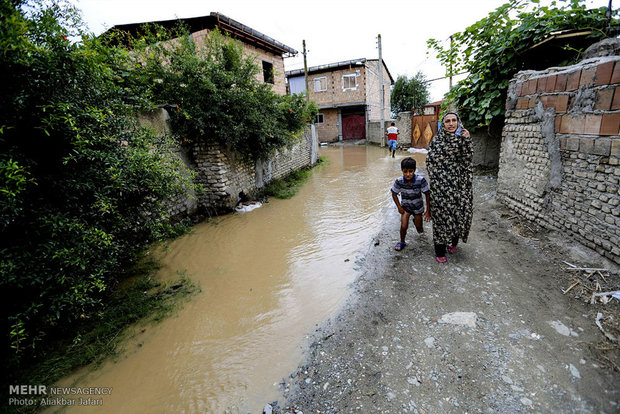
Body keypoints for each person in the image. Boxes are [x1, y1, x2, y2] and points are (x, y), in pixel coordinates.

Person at [425, 112, 473, 263]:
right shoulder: (437, 140)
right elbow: (430, 163)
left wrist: (466, 141)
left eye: (454, 120)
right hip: (441, 187)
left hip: (459, 186)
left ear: (458, 122)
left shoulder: (463, 139)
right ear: (443, 124)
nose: (451, 124)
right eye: (447, 121)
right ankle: (440, 250)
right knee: (441, 217)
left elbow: (467, 160)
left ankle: (453, 242)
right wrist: (442, 178)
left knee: (458, 214)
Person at [391, 157, 431, 251]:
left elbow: (427, 194)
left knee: (419, 229)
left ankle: (417, 223)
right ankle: (402, 241)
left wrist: (428, 211)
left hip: (418, 208)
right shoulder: (399, 181)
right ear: (402, 171)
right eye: (405, 171)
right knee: (404, 226)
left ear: (414, 170)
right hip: (406, 207)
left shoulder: (420, 180)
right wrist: (399, 207)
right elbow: (394, 194)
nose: (408, 174)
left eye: (410, 171)